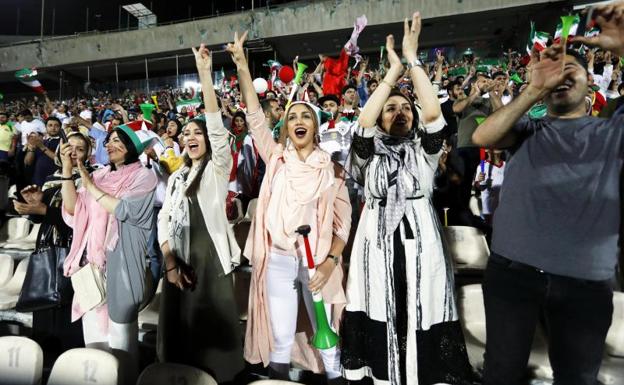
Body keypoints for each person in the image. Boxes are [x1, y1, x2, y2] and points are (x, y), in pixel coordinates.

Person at [471, 3, 624, 384]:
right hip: (512, 276)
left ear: (590, 85)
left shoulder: (612, 133)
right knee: (501, 373)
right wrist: (533, 89)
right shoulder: (526, 130)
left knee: (576, 378)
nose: (562, 76)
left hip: (584, 284)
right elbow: (482, 136)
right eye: (555, 71)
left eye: (572, 70)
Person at [341, 13, 474, 385]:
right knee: (378, 305)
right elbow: (362, 127)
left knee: (423, 306)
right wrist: (389, 75)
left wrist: (412, 61)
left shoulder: (424, 152)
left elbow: (434, 116)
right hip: (377, 243)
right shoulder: (367, 157)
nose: (398, 112)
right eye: (390, 108)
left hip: (421, 240)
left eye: (405, 108)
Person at [229, 31, 351, 382]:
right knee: (280, 337)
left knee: (327, 339)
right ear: (286, 127)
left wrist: (329, 264)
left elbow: (343, 225)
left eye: (306, 117)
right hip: (279, 259)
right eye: (292, 116)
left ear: (315, 127)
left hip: (318, 264)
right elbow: (254, 116)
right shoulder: (276, 158)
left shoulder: (332, 170)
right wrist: (240, 63)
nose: (298, 121)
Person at [157, 43, 244, 383]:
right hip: (178, 264)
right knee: (179, 337)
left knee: (209, 339)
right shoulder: (177, 176)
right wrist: (170, 262)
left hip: (209, 266)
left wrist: (205, 73)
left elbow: (216, 126)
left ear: (209, 141)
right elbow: (164, 219)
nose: (191, 136)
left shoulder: (216, 170)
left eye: (198, 133)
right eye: (187, 133)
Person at [60, 123, 158, 385]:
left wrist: (88, 182)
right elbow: (73, 210)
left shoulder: (143, 176)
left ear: (131, 148)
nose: (111, 145)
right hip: (90, 268)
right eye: (109, 140)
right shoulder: (100, 174)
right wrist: (68, 172)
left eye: (119, 141)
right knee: (94, 344)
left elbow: (125, 210)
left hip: (122, 267)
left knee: (121, 346)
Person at [13, 131, 92, 361]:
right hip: (47, 249)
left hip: (75, 253)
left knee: (69, 316)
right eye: (69, 147)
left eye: (80, 148)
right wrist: (34, 205)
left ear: (87, 155)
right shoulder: (51, 178)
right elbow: (42, 218)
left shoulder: (92, 179)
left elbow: (81, 221)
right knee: (45, 309)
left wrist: (44, 210)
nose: (73, 152)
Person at [24, 117, 62, 187]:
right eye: (50, 125)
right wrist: (31, 148)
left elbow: (60, 159)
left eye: (56, 125)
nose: (53, 128)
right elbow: (28, 162)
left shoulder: (63, 142)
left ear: (60, 128)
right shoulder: (41, 142)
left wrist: (41, 147)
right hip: (37, 180)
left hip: (54, 182)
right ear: (45, 127)